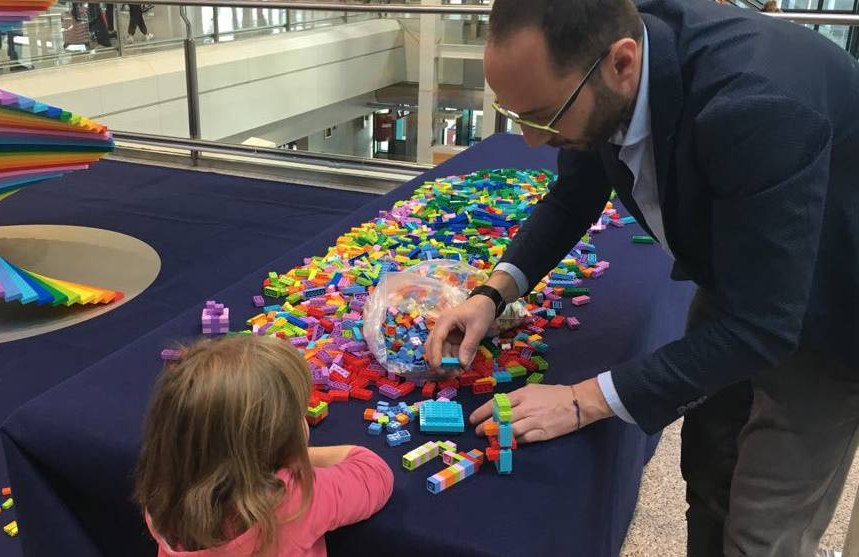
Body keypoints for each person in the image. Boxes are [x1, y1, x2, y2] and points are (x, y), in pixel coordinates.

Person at [424, 1, 859, 556]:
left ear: (621, 64)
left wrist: (581, 400)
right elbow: (575, 193)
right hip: (741, 270)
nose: (532, 142)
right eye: (518, 119)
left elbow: (764, 327)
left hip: (835, 304)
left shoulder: (756, 103)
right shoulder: (605, 61)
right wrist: (493, 293)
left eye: (543, 116)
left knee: (764, 527)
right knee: (708, 463)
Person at [134, 335, 393, 557]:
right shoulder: (290, 500)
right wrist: (298, 457)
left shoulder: (162, 495)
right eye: (298, 416)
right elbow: (375, 473)